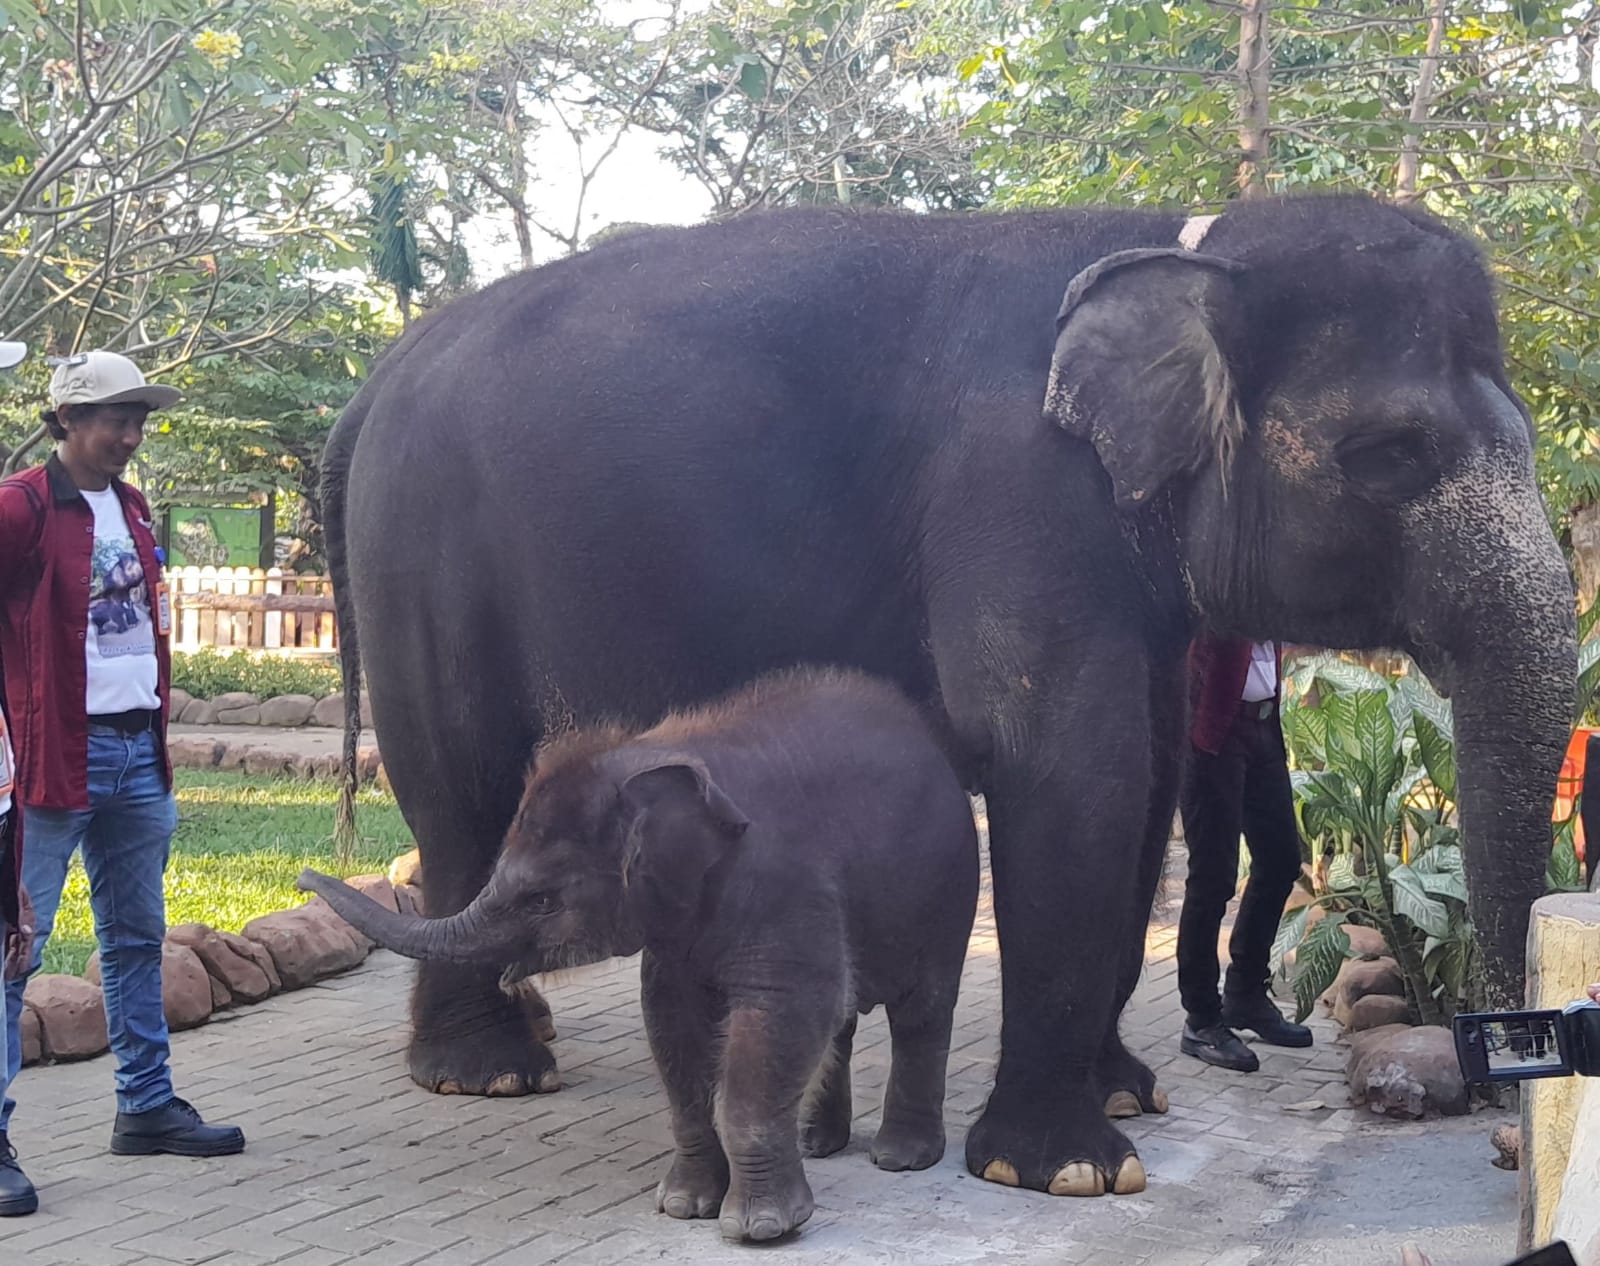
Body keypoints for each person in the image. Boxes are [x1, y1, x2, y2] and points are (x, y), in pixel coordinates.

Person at [0, 350, 244, 1218]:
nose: (129, 433)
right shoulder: (23, 508)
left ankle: (145, 1107)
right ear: (65, 418)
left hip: (138, 755)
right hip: (51, 761)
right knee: (9, 950)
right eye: (113, 417)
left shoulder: (132, 506)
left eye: (138, 418)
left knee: (136, 940)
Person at [1177, 635, 1312, 1071]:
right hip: (1214, 734)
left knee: (1280, 861)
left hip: (1263, 728)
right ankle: (1201, 1019)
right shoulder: (1233, 578)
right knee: (1213, 877)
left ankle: (1245, 995)